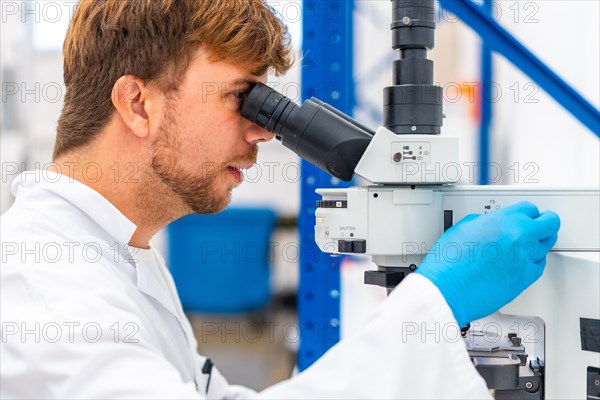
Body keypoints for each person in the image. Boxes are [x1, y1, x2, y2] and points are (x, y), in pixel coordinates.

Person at [0, 1, 560, 398]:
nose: (263, 130)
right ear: (138, 104)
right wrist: (436, 303)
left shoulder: (122, 255)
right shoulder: (47, 292)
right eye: (242, 98)